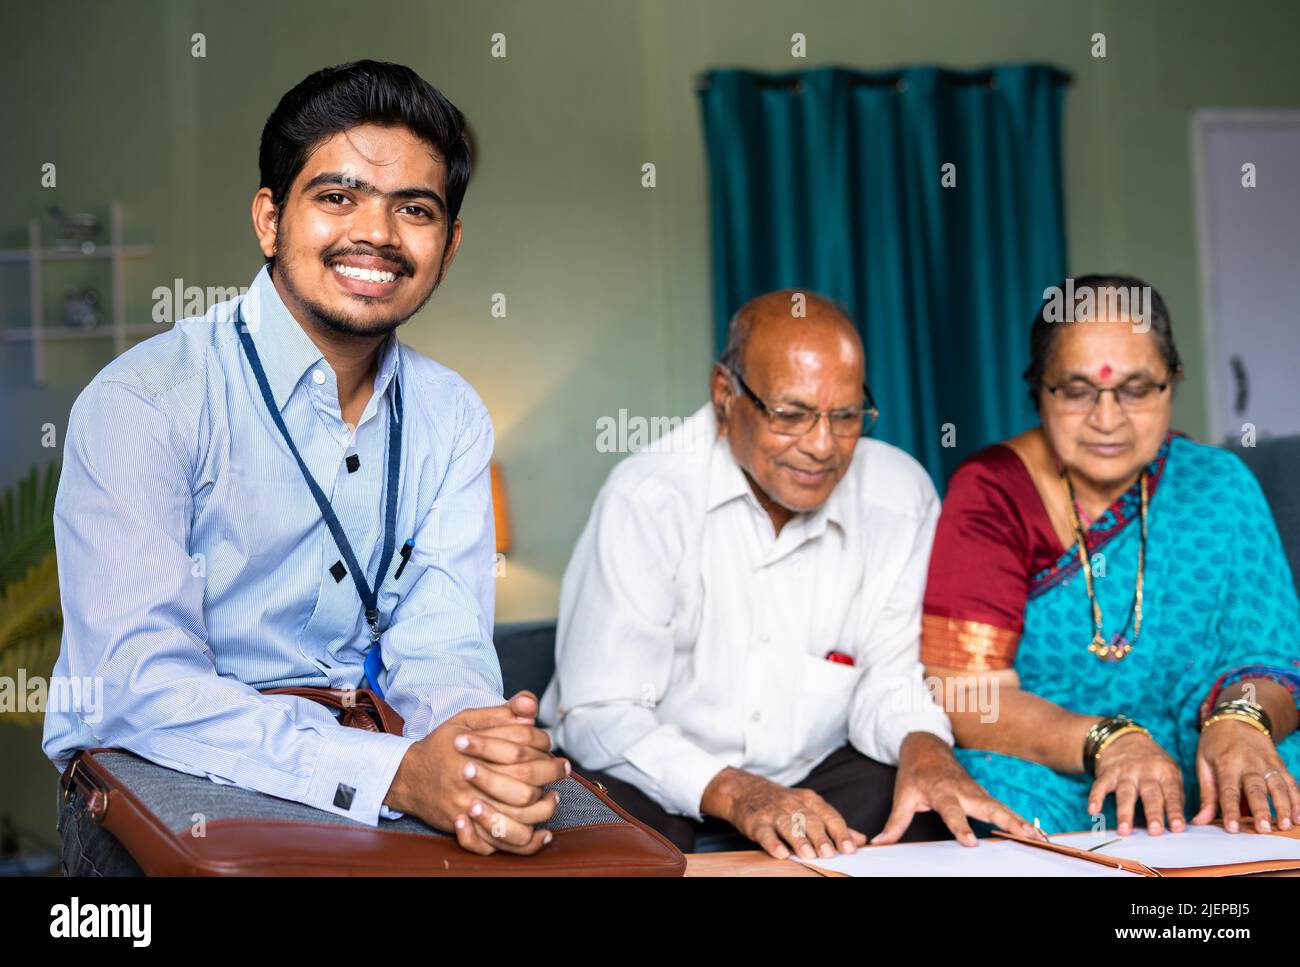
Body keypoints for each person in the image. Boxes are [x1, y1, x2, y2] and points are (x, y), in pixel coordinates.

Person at [44, 61, 567, 875]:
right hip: (159, 779)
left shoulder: (452, 414)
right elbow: (138, 688)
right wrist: (394, 772)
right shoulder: (145, 401)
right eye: (337, 197)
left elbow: (442, 648)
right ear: (269, 218)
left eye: (415, 209)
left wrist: (475, 758)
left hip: (365, 771)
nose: (378, 234)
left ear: (449, 246)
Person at [540, 290, 1040, 858]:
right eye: (792, 415)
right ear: (724, 395)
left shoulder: (900, 495)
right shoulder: (648, 498)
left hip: (818, 771)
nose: (822, 446)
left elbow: (890, 678)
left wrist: (925, 748)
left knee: (927, 820)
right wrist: (735, 792)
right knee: (616, 846)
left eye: (846, 415)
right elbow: (601, 715)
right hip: (649, 773)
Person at [922, 274, 1300, 838]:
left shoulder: (1218, 485)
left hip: (1215, 762)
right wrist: (1109, 740)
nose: (1107, 418)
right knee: (986, 796)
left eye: (1136, 389)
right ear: (1038, 390)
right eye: (1076, 391)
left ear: (1171, 384)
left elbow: (1275, 661)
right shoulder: (996, 493)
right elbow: (966, 697)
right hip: (1061, 775)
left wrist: (1243, 718)